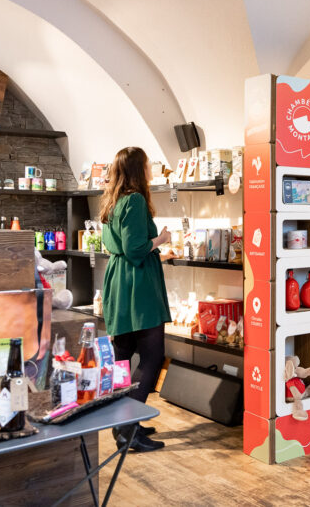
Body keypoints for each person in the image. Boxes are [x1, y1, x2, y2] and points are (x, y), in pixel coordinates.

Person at [100, 146, 173, 452]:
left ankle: (122, 420)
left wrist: (153, 248)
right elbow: (135, 249)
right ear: (136, 170)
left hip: (119, 281)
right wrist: (161, 240)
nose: (150, 170)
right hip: (138, 286)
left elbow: (116, 246)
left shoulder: (112, 202)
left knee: (123, 354)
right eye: (147, 165)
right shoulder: (136, 200)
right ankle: (127, 428)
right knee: (153, 356)